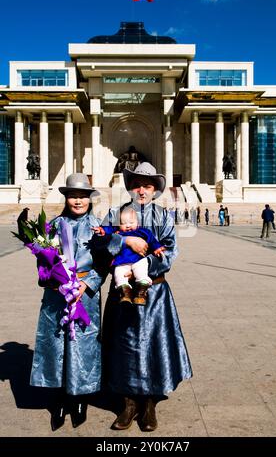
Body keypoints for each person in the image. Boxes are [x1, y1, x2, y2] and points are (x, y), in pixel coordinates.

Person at [100, 162, 192, 432]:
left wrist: (143, 267)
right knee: (125, 345)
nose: (142, 190)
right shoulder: (115, 213)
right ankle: (128, 402)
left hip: (155, 292)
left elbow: (171, 251)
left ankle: (149, 402)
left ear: (155, 190)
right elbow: (102, 245)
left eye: (148, 185)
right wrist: (125, 242)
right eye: (137, 184)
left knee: (153, 345)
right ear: (130, 187)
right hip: (123, 291)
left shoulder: (163, 216)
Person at [30, 173, 109, 431]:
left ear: (89, 199)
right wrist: (52, 281)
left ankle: (79, 398)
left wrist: (86, 284)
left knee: (82, 345)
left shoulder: (98, 227)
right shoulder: (53, 225)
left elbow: (104, 263)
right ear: (66, 198)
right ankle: (59, 398)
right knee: (56, 344)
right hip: (57, 296)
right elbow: (43, 263)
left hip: (84, 296)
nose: (78, 201)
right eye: (73, 196)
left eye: (82, 197)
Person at [91, 206, 165, 306]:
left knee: (141, 273)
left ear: (138, 223)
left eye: (131, 222)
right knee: (119, 275)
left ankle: (141, 292)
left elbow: (152, 240)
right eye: (123, 223)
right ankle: (125, 293)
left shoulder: (142, 231)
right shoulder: (118, 231)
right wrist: (102, 230)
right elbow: (108, 230)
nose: (128, 226)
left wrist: (157, 248)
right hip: (122, 261)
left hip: (139, 259)